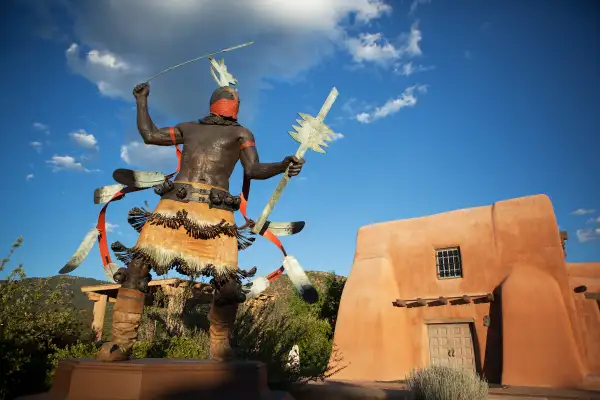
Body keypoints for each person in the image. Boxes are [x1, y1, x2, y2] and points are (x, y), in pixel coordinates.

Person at [97, 82, 304, 362]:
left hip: (216, 214)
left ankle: (220, 346)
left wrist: (282, 165)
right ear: (222, 101)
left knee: (228, 285)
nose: (235, 99)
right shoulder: (189, 128)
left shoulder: (241, 133)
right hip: (173, 207)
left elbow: (253, 169)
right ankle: (121, 343)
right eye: (233, 96)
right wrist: (142, 100)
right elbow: (149, 135)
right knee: (137, 269)